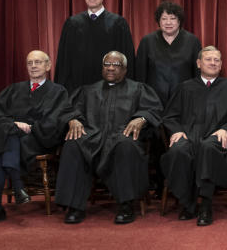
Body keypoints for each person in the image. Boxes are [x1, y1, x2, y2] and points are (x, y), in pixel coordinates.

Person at [55, 51, 163, 224]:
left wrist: (141, 119)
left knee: (126, 146)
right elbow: (68, 110)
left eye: (116, 65)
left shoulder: (138, 89)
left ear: (125, 69)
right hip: (92, 137)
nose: (111, 68)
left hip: (122, 136)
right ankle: (74, 206)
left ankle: (126, 205)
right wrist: (73, 119)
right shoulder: (88, 91)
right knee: (73, 144)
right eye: (107, 64)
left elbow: (154, 110)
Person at [0, 50, 75, 226]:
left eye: (38, 62)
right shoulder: (14, 89)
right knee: (7, 131)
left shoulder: (58, 91)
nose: (33, 66)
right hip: (13, 138)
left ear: (48, 66)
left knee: (1, 140)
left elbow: (56, 121)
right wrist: (14, 124)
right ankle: (17, 187)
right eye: (29, 63)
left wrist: (30, 128)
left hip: (37, 139)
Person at [161, 46, 227, 226]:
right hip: (189, 136)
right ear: (199, 63)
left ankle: (206, 204)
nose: (213, 63)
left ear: (222, 64)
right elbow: (170, 116)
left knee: (208, 148)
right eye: (208, 59)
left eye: (217, 60)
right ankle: (187, 203)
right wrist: (177, 130)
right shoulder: (185, 87)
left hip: (218, 140)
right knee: (178, 152)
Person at [54, 0, 135, 92]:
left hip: (110, 90)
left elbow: (127, 60)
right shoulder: (72, 24)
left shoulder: (118, 23)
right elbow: (63, 61)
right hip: (77, 90)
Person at [135, 0, 201, 107]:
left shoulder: (192, 41)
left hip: (184, 101)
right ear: (159, 21)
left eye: (173, 18)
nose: (168, 23)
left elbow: (198, 74)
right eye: (164, 19)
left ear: (179, 21)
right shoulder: (147, 41)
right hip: (153, 102)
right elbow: (140, 75)